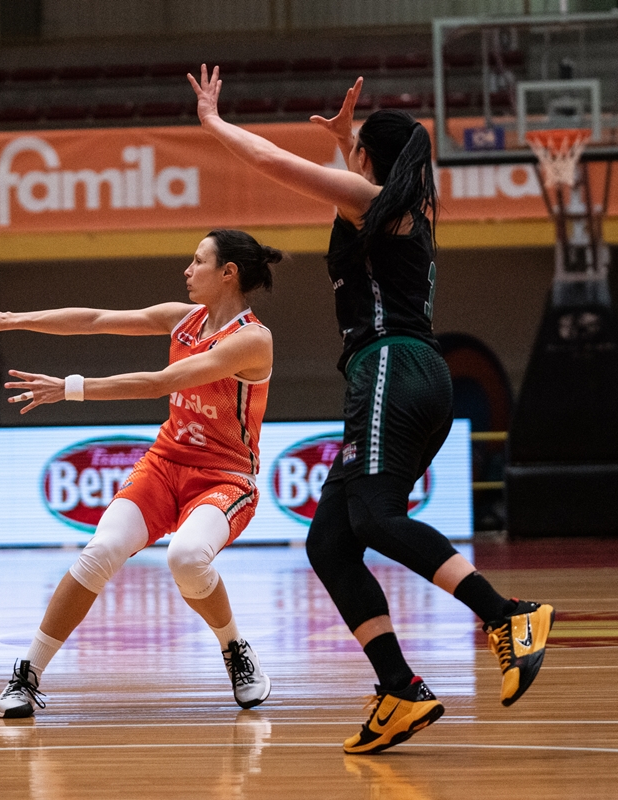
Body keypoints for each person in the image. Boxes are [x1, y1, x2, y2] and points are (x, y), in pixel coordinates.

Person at [189, 66, 555, 754]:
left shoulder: (375, 200)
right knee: (330, 541)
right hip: (391, 376)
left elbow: (274, 162)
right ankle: (399, 688)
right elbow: (350, 189)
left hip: (394, 365)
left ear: (368, 162)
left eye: (357, 152)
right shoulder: (385, 206)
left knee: (378, 519)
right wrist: (346, 142)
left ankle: (508, 616)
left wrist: (214, 126)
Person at [0, 229, 282, 718]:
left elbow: (162, 382)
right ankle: (27, 674)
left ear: (228, 273)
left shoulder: (251, 341)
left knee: (187, 558)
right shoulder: (183, 320)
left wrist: (71, 388)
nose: (187, 271)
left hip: (225, 478)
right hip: (165, 466)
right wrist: (11, 319)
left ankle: (236, 650)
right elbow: (96, 319)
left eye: (198, 261)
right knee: (100, 550)